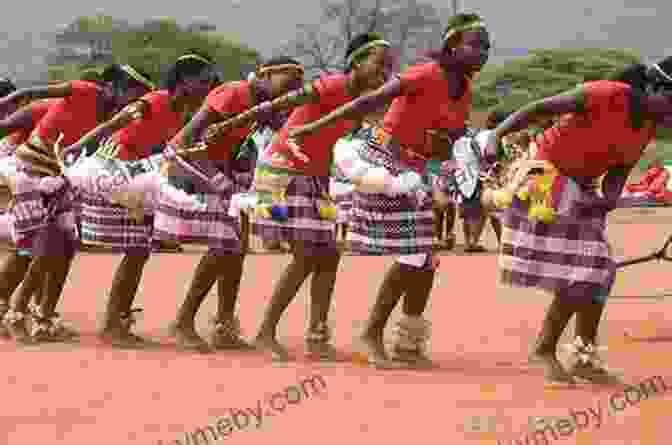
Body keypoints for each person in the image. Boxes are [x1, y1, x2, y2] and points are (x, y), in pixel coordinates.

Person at [281, 13, 490, 367]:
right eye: (475, 44)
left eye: (486, 46)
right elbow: (366, 102)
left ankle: (407, 341)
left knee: (425, 259)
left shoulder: (465, 91)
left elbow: (451, 139)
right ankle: (373, 332)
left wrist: (456, 173)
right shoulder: (424, 74)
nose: (483, 52)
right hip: (384, 162)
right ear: (452, 46)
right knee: (417, 253)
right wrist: (313, 125)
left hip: (418, 168)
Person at [483, 56, 672, 385]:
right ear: (654, 87)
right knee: (589, 269)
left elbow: (618, 171)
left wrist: (609, 200)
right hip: (542, 178)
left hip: (579, 188)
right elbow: (538, 109)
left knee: (599, 274)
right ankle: (544, 348)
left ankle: (583, 356)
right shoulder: (606, 94)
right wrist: (495, 135)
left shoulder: (648, 125)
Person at [208, 33, 396, 361]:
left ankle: (317, 334)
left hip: (314, 176)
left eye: (389, 67)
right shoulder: (331, 85)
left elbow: (370, 133)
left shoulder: (367, 101)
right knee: (306, 254)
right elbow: (282, 104)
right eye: (379, 64)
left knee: (328, 254)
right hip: (284, 169)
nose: (384, 72)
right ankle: (266, 332)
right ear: (356, 62)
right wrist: (233, 123)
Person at [60, 54, 214, 348]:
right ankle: (113, 324)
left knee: (139, 250)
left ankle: (115, 322)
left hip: (132, 175)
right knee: (137, 250)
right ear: (184, 81)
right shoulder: (155, 101)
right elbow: (116, 122)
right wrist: (78, 146)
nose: (206, 86)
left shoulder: (182, 113)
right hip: (113, 173)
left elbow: (170, 152)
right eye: (202, 81)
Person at [154, 57, 305, 352]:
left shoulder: (265, 105)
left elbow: (291, 129)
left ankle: (223, 326)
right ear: (264, 74)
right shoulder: (234, 93)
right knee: (224, 246)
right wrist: (216, 180)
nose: (290, 94)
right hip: (190, 163)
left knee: (236, 251)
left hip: (220, 170)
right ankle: (183, 322)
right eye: (288, 85)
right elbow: (187, 139)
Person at [0, 64, 153, 342]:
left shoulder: (115, 118)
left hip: (60, 176)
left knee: (64, 247)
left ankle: (41, 317)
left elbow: (93, 148)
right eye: (133, 92)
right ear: (114, 86)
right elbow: (32, 93)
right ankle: (13, 312)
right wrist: (7, 100)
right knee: (36, 244)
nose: (135, 100)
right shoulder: (86, 91)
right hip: (30, 171)